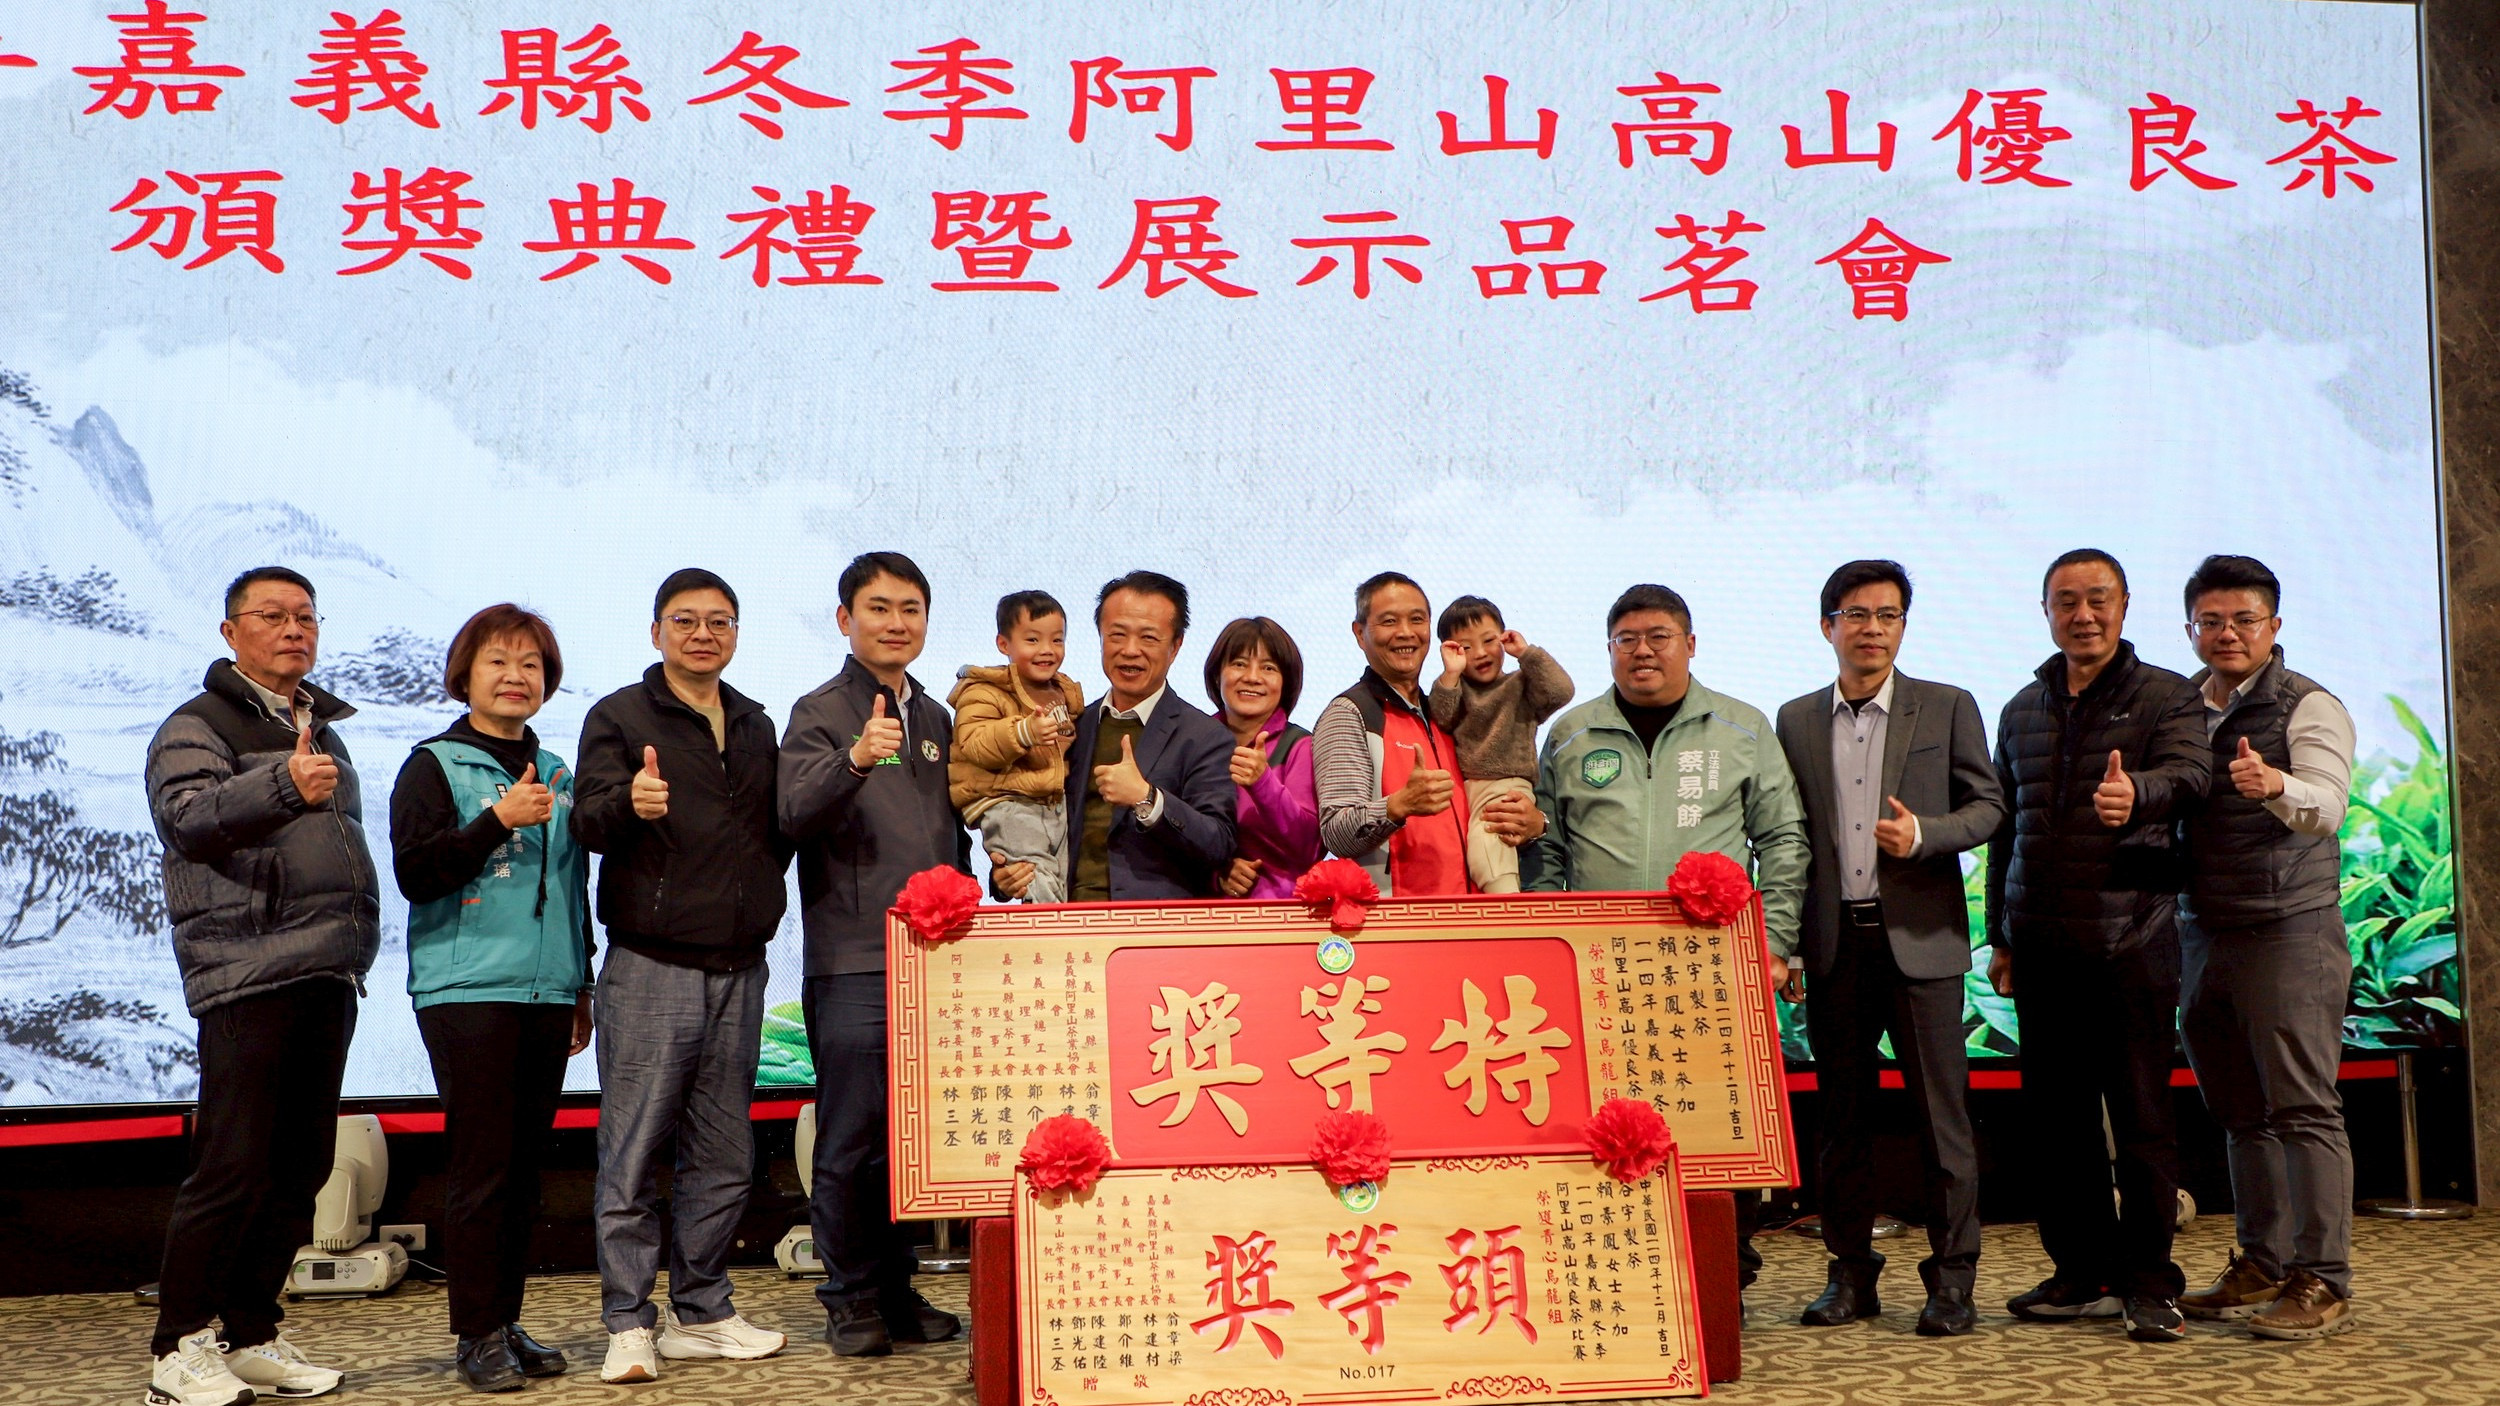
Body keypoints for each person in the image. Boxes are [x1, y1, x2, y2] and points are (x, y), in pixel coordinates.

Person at [1527, 582, 1808, 1292]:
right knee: (1607, 1122)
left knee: (1715, 1121)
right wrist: (1545, 944)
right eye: (1626, 639)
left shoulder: (1741, 728)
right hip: (1601, 969)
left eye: (1659, 636)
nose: (1643, 651)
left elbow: (1782, 839)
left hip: (1711, 964)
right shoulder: (1571, 732)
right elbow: (1546, 848)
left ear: (1690, 645)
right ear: (1610, 650)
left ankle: (1725, 1271)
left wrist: (1773, 943)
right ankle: (1621, 1270)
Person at [143, 566, 377, 1406]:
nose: (293, 630)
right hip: (249, 970)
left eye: (306, 617)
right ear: (230, 632)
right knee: (232, 1165)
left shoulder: (321, 728)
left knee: (299, 1165)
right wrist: (282, 782)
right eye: (273, 616)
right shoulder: (196, 724)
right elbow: (187, 820)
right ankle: (177, 1348)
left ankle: (248, 1333)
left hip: (325, 966)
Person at [1985, 548, 2211, 1344]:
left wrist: (2137, 792)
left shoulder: (2166, 695)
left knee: (2142, 1123)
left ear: (2124, 605)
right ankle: (2082, 1273)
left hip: (2131, 942)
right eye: (2067, 601)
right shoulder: (2022, 708)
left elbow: (2193, 776)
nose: (2083, 615)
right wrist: (1999, 936)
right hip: (2042, 948)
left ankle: (2148, 1282)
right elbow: (2006, 828)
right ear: (2047, 610)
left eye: (2098, 599)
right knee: (2059, 1125)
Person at [572, 569, 792, 1382]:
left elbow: (774, 834)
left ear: (736, 633)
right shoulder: (620, 716)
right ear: (656, 631)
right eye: (686, 621)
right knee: (632, 1154)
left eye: (720, 622)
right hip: (651, 967)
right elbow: (588, 820)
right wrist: (629, 801)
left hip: (741, 966)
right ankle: (629, 1322)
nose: (704, 635)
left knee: (725, 1154)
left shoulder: (756, 723)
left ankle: (702, 1311)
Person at [1773, 562, 2004, 1337]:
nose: (1872, 628)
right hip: (1835, 944)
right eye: (1856, 614)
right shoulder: (1795, 720)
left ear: (1903, 625)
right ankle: (1850, 1275)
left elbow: (1989, 807)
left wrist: (1926, 835)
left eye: (1888, 615)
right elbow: (1789, 837)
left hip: (1922, 944)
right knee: (1842, 1122)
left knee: (1944, 1121)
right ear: (1827, 626)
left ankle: (1953, 1281)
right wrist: (1789, 946)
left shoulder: (1946, 705)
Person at [389, 605, 592, 1392]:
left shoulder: (559, 772)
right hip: (468, 988)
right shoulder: (434, 765)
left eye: (531, 664)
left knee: (524, 1170)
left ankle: (505, 1320)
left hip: (548, 989)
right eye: (499, 662)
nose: (516, 677)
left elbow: (572, 888)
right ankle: (475, 1333)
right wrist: (497, 821)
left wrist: (582, 985)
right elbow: (417, 873)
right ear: (465, 676)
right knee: (482, 1167)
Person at [780, 552, 971, 1356]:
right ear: (845, 619)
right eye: (879, 608)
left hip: (933, 960)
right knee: (851, 1138)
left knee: (909, 1140)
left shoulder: (938, 718)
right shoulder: (820, 711)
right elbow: (792, 812)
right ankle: (849, 1296)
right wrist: (855, 757)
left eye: (910, 609)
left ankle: (895, 1289)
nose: (896, 623)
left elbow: (952, 831)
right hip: (855, 957)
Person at [2170, 556, 2358, 1340]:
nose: (2227, 634)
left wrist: (2278, 786)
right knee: (2241, 1112)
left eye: (2244, 620)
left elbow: (2329, 806)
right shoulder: (2181, 704)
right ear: (2190, 628)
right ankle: (2263, 1261)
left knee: (2303, 1107)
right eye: (2211, 621)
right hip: (2202, 929)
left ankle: (2324, 1278)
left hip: (2290, 929)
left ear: (2273, 626)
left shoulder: (2309, 705)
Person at [1000, 571, 1234, 901]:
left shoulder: (1204, 736)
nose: (1130, 650)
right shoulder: (1071, 726)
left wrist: (1147, 798)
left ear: (1175, 646)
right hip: (1065, 918)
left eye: (1148, 638)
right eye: (1117, 635)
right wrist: (1006, 875)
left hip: (1153, 925)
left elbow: (1219, 843)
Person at [1317, 573, 1544, 895]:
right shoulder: (1349, 713)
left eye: (1417, 619)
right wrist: (1398, 805)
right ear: (1359, 633)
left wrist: (1535, 824)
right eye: (1389, 621)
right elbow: (1335, 832)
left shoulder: (1447, 712)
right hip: (1400, 919)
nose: (1406, 632)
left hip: (1473, 915)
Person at [1429, 595, 1574, 894]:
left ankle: (1506, 904)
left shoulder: (1520, 684)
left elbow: (1561, 691)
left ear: (1503, 637)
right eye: (1466, 647)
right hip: (1467, 791)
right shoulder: (1456, 688)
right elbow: (1441, 717)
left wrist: (1527, 653)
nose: (1481, 653)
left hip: (1506, 785)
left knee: (1489, 843)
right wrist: (1451, 673)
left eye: (1488, 640)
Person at [947, 590, 1083, 903]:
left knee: (1063, 882)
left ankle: (1063, 929)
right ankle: (1049, 934)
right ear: (1004, 644)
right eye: (1032, 640)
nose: (1047, 650)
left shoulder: (1064, 692)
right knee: (1035, 878)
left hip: (1053, 804)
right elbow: (974, 743)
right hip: (1008, 802)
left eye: (1057, 640)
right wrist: (1023, 732)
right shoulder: (983, 691)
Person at [1203, 616, 1323, 898]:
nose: (1252, 677)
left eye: (1268, 668)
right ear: (1218, 675)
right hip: (1201, 913)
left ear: (1286, 682)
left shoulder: (1300, 746)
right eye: (1239, 664)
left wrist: (1262, 783)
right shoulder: (1195, 742)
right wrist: (1217, 874)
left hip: (1282, 912)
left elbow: (1310, 847)